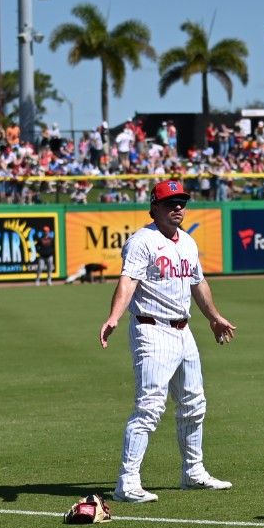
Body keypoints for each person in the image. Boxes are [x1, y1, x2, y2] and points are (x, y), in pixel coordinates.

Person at [98, 179, 238, 503]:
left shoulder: (187, 243)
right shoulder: (141, 242)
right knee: (149, 407)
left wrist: (214, 317)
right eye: (170, 202)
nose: (178, 208)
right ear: (155, 207)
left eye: (182, 202)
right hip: (152, 329)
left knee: (194, 403)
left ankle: (193, 472)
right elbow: (128, 281)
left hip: (184, 332)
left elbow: (198, 284)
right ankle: (127, 483)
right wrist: (114, 317)